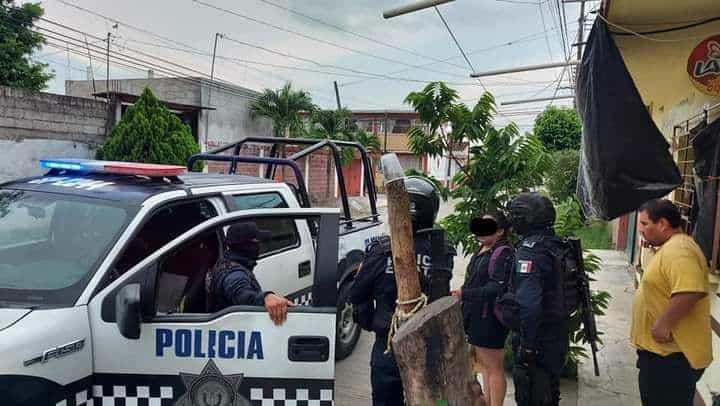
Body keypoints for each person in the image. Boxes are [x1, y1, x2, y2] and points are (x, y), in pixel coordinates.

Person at [350, 176, 455, 406]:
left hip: (389, 346)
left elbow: (357, 295)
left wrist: (373, 323)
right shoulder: (443, 250)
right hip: (431, 348)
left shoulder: (379, 251)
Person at [631, 199, 712, 406]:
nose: (641, 230)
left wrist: (664, 323)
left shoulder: (679, 250)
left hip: (671, 358)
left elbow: (690, 289)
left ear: (663, 224)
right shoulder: (672, 247)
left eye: (645, 224)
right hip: (664, 356)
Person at [507, 192, 568, 406]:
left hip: (538, 340)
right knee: (549, 394)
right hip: (556, 334)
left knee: (531, 395)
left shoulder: (530, 252)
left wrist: (528, 346)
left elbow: (529, 305)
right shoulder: (556, 244)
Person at [452, 213, 513, 406]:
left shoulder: (503, 252)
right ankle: (487, 401)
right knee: (485, 367)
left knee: (494, 367)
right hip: (476, 316)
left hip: (490, 319)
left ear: (501, 231)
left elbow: (496, 288)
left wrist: (465, 294)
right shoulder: (481, 249)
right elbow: (474, 280)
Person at [206, 221, 293, 325]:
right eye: (257, 241)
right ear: (247, 245)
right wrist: (266, 297)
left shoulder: (225, 262)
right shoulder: (235, 274)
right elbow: (242, 295)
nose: (259, 245)